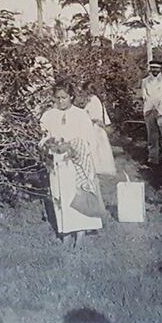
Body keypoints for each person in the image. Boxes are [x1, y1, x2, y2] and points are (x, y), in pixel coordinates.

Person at [40, 81, 104, 248]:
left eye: (64, 98)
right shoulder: (49, 116)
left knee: (77, 196)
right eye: (57, 98)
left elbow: (89, 140)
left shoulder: (80, 115)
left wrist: (71, 146)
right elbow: (43, 138)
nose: (60, 101)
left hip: (75, 162)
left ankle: (80, 234)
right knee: (59, 196)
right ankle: (65, 232)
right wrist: (48, 143)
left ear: (72, 97)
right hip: (57, 162)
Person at [141, 60, 162, 172]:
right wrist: (150, 106)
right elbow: (144, 96)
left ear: (160, 68)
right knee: (152, 137)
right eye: (153, 68)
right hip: (150, 111)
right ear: (150, 69)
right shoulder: (145, 81)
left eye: (157, 68)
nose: (155, 70)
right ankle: (153, 160)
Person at [81, 81, 117, 176]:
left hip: (95, 127)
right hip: (95, 126)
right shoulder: (95, 100)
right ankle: (97, 166)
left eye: (84, 91)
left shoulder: (93, 100)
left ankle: (98, 167)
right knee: (98, 147)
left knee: (96, 147)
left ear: (88, 91)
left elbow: (93, 116)